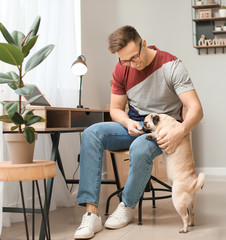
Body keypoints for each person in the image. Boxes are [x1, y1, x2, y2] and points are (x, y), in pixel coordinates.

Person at [74, 25, 203, 239]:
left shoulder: (172, 65)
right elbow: (115, 109)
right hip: (134, 124)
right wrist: (126, 122)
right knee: (91, 133)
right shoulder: (121, 69)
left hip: (164, 129)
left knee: (141, 146)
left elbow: (196, 109)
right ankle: (91, 214)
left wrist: (180, 132)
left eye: (134, 57)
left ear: (143, 44)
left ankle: (127, 205)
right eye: (124, 60)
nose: (131, 64)